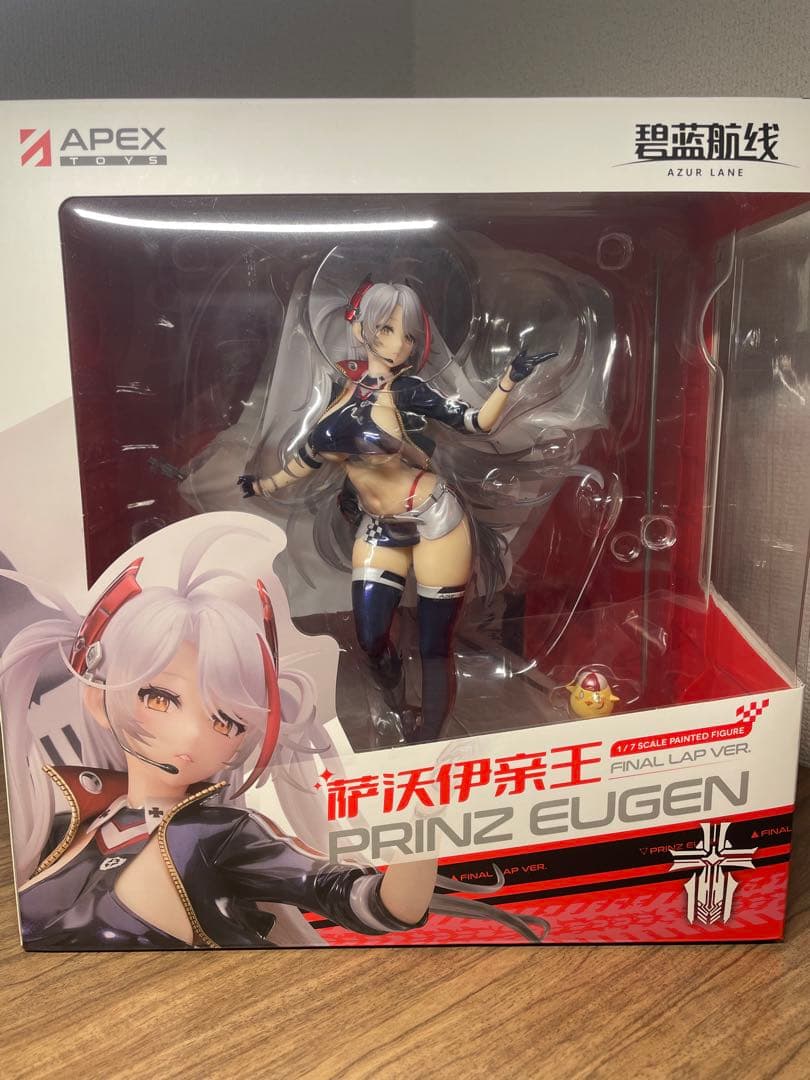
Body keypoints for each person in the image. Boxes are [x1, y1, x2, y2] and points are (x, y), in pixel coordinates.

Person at [0, 526, 547, 949]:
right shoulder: (65, 816)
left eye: (225, 721)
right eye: (159, 697)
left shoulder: (216, 834)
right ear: (98, 698)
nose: (191, 734)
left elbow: (376, 905)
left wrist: (425, 822)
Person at [239, 280, 555, 743]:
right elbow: (307, 458)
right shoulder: (341, 393)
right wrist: (262, 485)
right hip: (379, 526)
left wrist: (509, 379)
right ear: (361, 328)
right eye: (387, 329)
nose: (400, 344)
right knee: (370, 637)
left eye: (408, 335)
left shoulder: (408, 391)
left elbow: (475, 422)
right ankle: (397, 706)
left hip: (434, 518)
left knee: (433, 643)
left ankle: (428, 739)